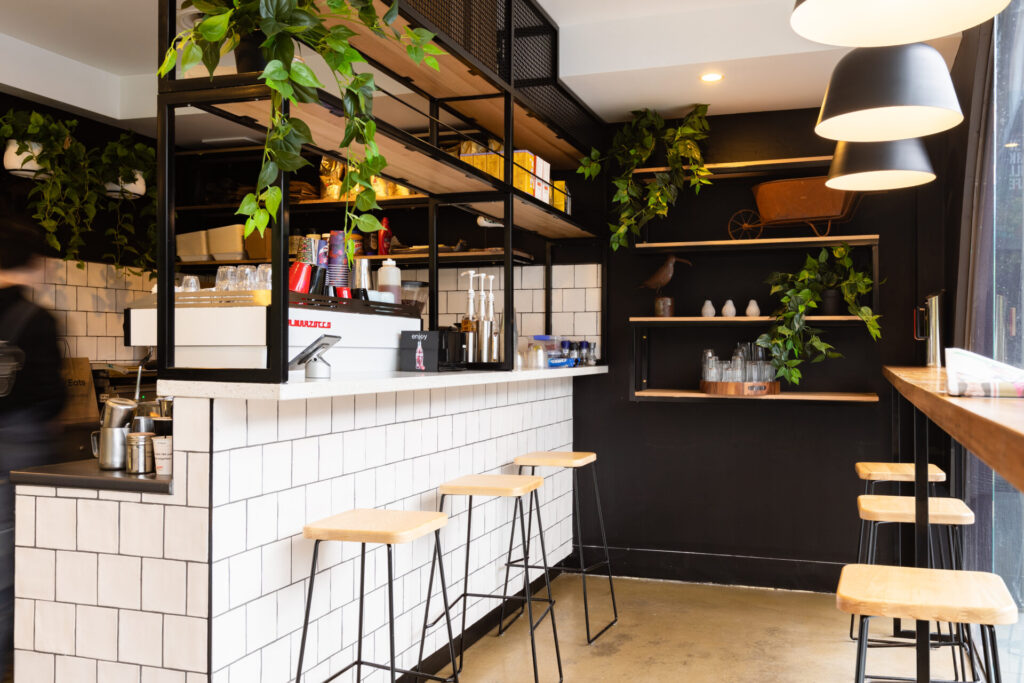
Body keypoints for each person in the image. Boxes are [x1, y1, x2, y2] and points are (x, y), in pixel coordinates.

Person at [0, 218, 65, 680]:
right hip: (16, 448)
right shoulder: (36, 319)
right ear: (34, 261)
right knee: (9, 561)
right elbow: (50, 393)